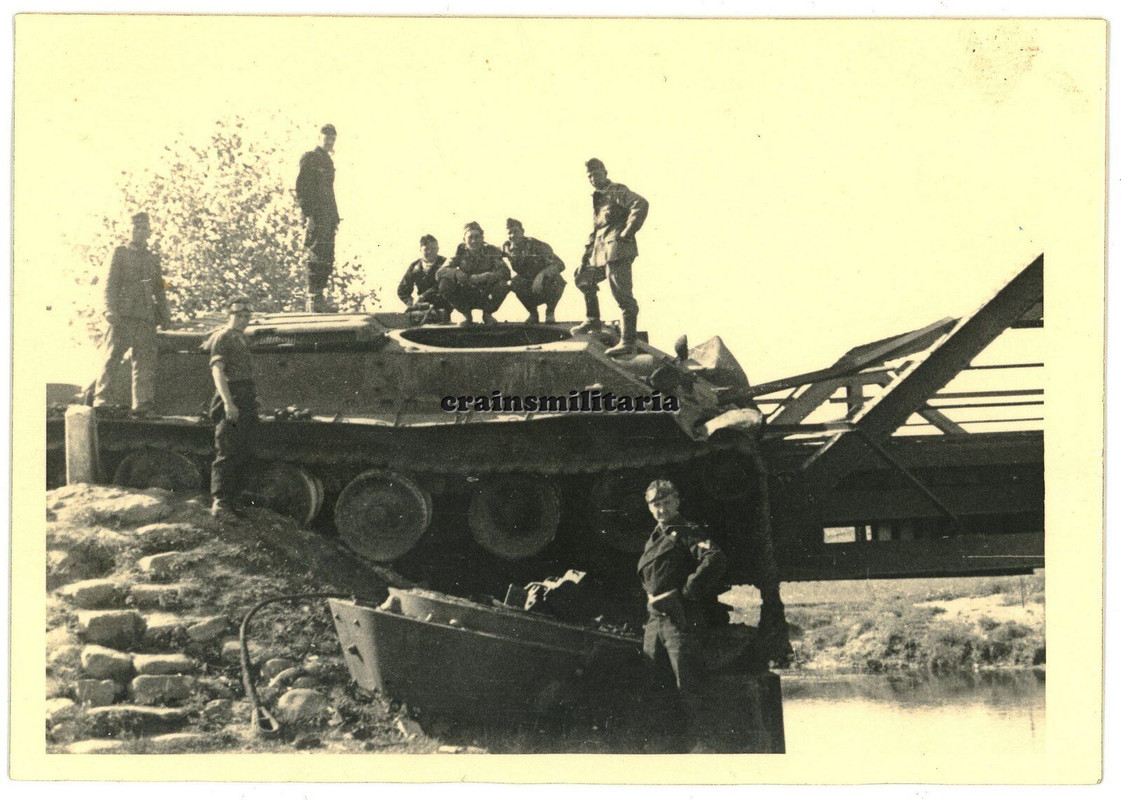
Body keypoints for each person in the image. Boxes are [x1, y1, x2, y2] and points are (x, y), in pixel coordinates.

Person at [636, 479, 726, 749]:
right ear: (649, 508)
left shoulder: (687, 531)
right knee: (656, 684)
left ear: (677, 502)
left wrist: (686, 592)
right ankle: (671, 748)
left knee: (688, 683)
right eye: (655, 505)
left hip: (679, 618)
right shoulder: (655, 537)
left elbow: (714, 557)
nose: (661, 509)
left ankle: (705, 745)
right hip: (656, 620)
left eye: (665, 503)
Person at [92, 211, 172, 413]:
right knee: (111, 357)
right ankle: (102, 399)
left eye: (145, 228)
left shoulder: (153, 259)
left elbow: (160, 288)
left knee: (145, 363)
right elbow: (108, 285)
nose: (140, 232)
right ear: (130, 230)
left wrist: (165, 314)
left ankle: (143, 404)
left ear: (149, 232)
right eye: (137, 228)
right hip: (122, 317)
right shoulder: (119, 253)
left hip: (145, 318)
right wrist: (108, 310)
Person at [571, 158, 649, 356]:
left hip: (617, 251)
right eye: (589, 176)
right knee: (583, 277)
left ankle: (628, 341)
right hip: (599, 253)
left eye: (596, 174)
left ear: (605, 172)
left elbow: (640, 203)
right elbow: (597, 230)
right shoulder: (599, 198)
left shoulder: (615, 190)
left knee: (622, 296)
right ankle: (592, 320)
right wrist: (584, 258)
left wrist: (627, 232)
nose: (593, 179)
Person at [205, 297, 258, 518]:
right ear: (229, 314)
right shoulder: (222, 336)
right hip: (232, 394)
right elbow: (218, 371)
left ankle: (233, 502)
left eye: (247, 315)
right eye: (238, 314)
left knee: (242, 451)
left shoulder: (241, 339)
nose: (243, 319)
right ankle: (220, 504)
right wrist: (228, 402)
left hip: (245, 395)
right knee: (226, 451)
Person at [295, 123, 340, 313]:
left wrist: (335, 217)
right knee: (316, 254)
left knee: (327, 256)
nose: (329, 142)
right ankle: (313, 299)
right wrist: (309, 215)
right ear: (318, 138)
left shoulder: (327, 162)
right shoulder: (311, 158)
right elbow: (302, 188)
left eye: (332, 139)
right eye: (326, 138)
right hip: (316, 215)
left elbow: (329, 192)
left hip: (327, 216)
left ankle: (319, 297)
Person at [436, 221, 511, 325]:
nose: (474, 241)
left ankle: (487, 314)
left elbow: (505, 272)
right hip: (466, 293)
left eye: (477, 237)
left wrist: (487, 276)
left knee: (503, 285)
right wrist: (456, 273)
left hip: (486, 292)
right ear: (464, 240)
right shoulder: (459, 251)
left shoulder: (491, 251)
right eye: (470, 238)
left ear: (482, 238)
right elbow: (440, 272)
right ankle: (467, 315)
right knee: (444, 284)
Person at [502, 218, 566, 324]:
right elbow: (489, 251)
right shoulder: (507, 247)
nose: (513, 235)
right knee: (515, 282)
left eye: (516, 231)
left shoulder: (535, 245)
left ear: (522, 232)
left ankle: (550, 312)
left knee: (557, 280)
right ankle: (533, 314)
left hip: (545, 281)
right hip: (527, 282)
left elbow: (560, 264)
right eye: (510, 233)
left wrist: (542, 274)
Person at [397, 234, 452, 315]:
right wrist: (412, 303)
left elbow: (443, 286)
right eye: (426, 249)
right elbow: (402, 290)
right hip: (422, 309)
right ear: (420, 250)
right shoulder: (415, 266)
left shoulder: (445, 263)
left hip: (442, 308)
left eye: (433, 249)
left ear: (438, 249)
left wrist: (423, 296)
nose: (430, 252)